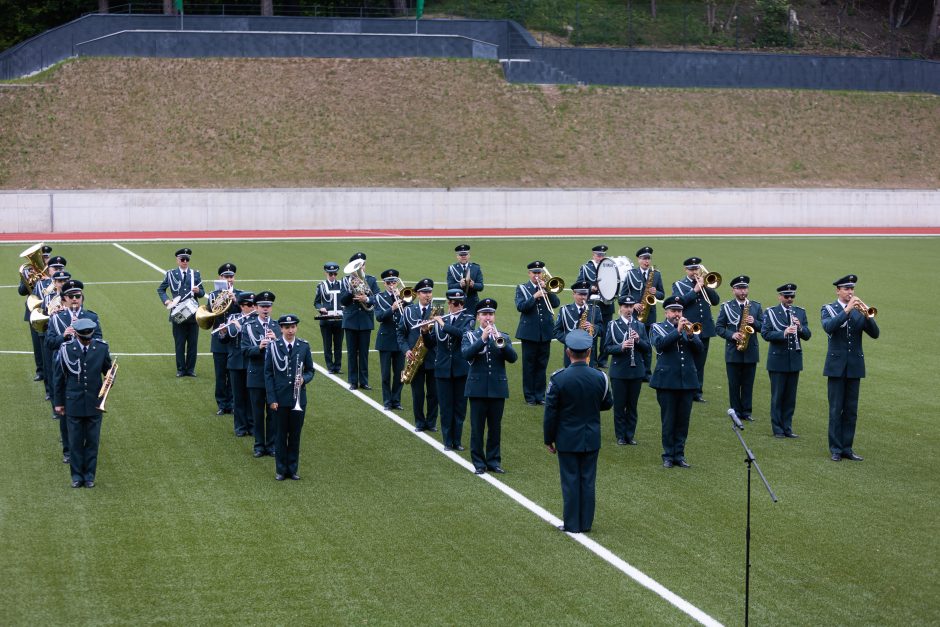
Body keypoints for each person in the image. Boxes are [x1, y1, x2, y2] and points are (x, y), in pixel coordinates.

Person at [544, 330, 613, 534]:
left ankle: (572, 523)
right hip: (591, 436)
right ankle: (586, 523)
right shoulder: (600, 377)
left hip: (566, 438)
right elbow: (607, 404)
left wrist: (549, 439)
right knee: (588, 481)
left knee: (571, 481)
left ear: (568, 352)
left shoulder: (559, 378)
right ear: (589, 351)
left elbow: (550, 413)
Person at [821, 275, 880, 462]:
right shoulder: (828, 309)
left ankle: (847, 448)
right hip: (836, 367)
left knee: (851, 411)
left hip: (855, 367)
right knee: (836, 408)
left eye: (852, 289)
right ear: (838, 290)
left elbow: (875, 334)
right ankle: (836, 449)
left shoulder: (858, 311)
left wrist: (867, 316)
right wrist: (847, 310)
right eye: (846, 289)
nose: (850, 292)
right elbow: (829, 327)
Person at [45, 278, 102, 464]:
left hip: (87, 366)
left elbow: (100, 341)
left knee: (88, 408)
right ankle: (69, 449)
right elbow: (49, 343)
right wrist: (64, 336)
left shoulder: (91, 317)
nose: (75, 299)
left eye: (77, 296)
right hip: (65, 367)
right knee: (66, 411)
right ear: (64, 299)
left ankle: (86, 446)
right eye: (70, 296)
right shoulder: (56, 318)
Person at [53, 318, 112, 488]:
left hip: (94, 402)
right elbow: (59, 378)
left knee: (92, 441)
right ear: (77, 336)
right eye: (84, 338)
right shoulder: (66, 349)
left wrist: (110, 377)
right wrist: (58, 403)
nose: (87, 340)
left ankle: (89, 476)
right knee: (75, 441)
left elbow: (107, 369)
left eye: (89, 337)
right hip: (73, 402)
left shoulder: (101, 348)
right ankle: (77, 476)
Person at [462, 298, 518, 474]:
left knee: (495, 427)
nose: (488, 317)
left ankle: (494, 461)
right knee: (477, 428)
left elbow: (513, 358)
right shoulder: (469, 335)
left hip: (497, 388)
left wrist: (499, 341)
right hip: (477, 389)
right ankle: (479, 463)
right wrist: (483, 339)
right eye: (485, 314)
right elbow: (466, 354)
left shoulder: (503, 336)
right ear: (478, 317)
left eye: (491, 314)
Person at [649, 296, 703, 468]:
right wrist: (677, 331)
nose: (677, 314)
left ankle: (679, 455)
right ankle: (668, 455)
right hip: (666, 381)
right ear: (666, 312)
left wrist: (691, 336)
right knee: (668, 419)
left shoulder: (690, 328)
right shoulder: (657, 327)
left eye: (679, 311)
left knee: (683, 421)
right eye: (673, 311)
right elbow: (660, 345)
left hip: (687, 381)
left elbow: (700, 350)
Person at [264, 314, 315, 481]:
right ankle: (280, 470)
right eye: (287, 328)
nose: (290, 330)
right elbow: (269, 374)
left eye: (293, 327)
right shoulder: (273, 346)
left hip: (298, 399)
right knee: (280, 436)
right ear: (281, 329)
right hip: (279, 398)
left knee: (294, 436)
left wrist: (304, 379)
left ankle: (292, 469)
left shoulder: (304, 346)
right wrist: (272, 399)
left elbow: (310, 370)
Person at [760, 283, 811, 439]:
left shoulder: (800, 312)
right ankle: (777, 428)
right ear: (780, 297)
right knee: (778, 396)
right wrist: (783, 333)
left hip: (794, 361)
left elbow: (808, 335)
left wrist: (800, 327)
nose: (790, 299)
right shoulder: (771, 312)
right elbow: (765, 333)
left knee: (790, 397)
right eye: (787, 296)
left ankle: (787, 427)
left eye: (792, 296)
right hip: (777, 361)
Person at [429, 288, 474, 451]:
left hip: (460, 369)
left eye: (460, 303)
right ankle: (448, 441)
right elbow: (432, 343)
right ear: (449, 303)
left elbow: (462, 334)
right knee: (446, 407)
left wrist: (442, 323)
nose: (457, 306)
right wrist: (425, 332)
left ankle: (457, 440)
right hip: (442, 369)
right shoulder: (439, 320)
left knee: (460, 407)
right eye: (454, 303)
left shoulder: (468, 318)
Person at [715, 275, 763, 422]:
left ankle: (747, 412)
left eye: (745, 288)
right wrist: (732, 335)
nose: (743, 291)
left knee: (748, 383)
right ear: (733, 290)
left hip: (751, 351)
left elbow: (764, 328)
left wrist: (754, 322)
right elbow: (719, 328)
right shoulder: (726, 306)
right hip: (733, 351)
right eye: (740, 288)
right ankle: (735, 410)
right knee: (734, 384)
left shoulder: (755, 306)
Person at [671, 257, 720, 402]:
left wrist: (705, 286)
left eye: (696, 269)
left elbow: (715, 301)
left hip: (704, 328)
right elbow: (679, 303)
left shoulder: (704, 283)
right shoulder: (679, 284)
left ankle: (697, 391)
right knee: (688, 359)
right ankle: (685, 388)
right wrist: (695, 290)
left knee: (700, 361)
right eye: (691, 269)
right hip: (689, 327)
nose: (694, 272)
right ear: (686, 270)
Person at [605, 295, 651, 446]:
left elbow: (647, 348)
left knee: (632, 405)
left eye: (631, 307)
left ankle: (630, 435)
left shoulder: (640, 326)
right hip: (619, 371)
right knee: (619, 405)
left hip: (636, 371)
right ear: (621, 308)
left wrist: (638, 340)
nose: (629, 310)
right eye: (626, 306)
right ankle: (620, 435)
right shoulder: (612, 325)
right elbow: (606, 348)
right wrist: (621, 347)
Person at [242, 291, 281, 458]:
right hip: (256, 375)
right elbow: (244, 351)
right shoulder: (248, 326)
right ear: (256, 307)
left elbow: (287, 350)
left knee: (273, 412)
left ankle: (271, 445)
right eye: (262, 306)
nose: (266, 309)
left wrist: (276, 341)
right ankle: (259, 445)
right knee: (257, 413)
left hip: (273, 376)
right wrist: (259, 347)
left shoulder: (278, 326)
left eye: (268, 306)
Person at [515, 260, 560, 405]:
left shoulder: (546, 285)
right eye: (534, 272)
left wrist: (547, 290)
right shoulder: (522, 288)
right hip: (528, 333)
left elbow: (556, 303)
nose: (537, 275)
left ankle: (540, 396)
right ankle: (529, 396)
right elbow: (521, 306)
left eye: (539, 272)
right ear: (529, 273)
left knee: (542, 365)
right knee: (529, 366)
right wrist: (535, 296)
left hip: (545, 332)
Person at [398, 278, 439, 432]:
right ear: (417, 294)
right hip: (415, 357)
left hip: (433, 357)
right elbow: (401, 334)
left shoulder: (437, 311)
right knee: (418, 394)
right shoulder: (408, 311)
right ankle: (420, 422)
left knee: (434, 394)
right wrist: (406, 350)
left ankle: (431, 422)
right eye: (424, 292)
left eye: (429, 292)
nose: (427, 295)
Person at [157, 248, 205, 377]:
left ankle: (190, 369)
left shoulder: (195, 274)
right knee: (179, 343)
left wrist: (197, 291)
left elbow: (202, 293)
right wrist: (167, 301)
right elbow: (161, 289)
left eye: (187, 259)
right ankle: (180, 369)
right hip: (178, 313)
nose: (185, 261)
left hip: (193, 314)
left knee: (193, 344)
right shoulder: (170, 274)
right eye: (182, 259)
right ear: (177, 260)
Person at [621, 246, 664, 380]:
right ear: (638, 260)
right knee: (633, 340)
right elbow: (623, 295)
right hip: (633, 315)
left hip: (650, 315)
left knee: (647, 343)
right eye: (644, 259)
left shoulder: (656, 274)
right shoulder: (631, 274)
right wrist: (633, 305)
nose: (646, 261)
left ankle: (646, 372)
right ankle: (632, 367)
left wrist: (655, 292)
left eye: (648, 259)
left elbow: (662, 295)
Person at [339, 252, 379, 390]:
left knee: (363, 353)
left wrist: (366, 299)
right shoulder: (345, 281)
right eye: (358, 265)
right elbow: (342, 300)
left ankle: (364, 381)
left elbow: (378, 298)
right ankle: (353, 381)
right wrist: (351, 290)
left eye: (363, 264)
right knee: (351, 353)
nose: (362, 267)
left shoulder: (371, 280)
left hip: (365, 320)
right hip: (350, 321)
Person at [220, 292, 256, 437]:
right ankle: (240, 427)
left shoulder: (257, 320)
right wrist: (223, 332)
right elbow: (225, 340)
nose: (253, 307)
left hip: (251, 362)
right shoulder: (233, 318)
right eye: (249, 305)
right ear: (242, 306)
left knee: (251, 397)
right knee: (238, 397)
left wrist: (240, 328)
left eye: (254, 305)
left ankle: (253, 426)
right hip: (235, 362)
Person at [207, 263, 241, 416]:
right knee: (220, 375)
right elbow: (208, 316)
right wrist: (218, 304)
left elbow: (248, 313)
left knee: (233, 375)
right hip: (218, 341)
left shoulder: (240, 295)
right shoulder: (213, 295)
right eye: (225, 276)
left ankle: (233, 404)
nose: (229, 279)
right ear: (220, 278)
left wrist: (235, 301)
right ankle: (222, 404)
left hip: (234, 340)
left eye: (231, 276)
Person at [18, 244, 52, 383]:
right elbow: (21, 291)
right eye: (41, 257)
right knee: (37, 344)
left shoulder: (54, 271)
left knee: (49, 343)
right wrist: (32, 280)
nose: (43, 260)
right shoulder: (29, 271)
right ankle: (40, 371)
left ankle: (52, 371)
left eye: (45, 257)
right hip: (34, 312)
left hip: (51, 311)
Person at [577, 245, 614, 367]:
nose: (600, 257)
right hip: (592, 304)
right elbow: (579, 284)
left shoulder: (610, 267)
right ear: (593, 255)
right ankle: (591, 359)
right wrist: (590, 287)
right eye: (598, 255)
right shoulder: (586, 268)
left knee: (606, 334)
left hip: (607, 304)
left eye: (602, 255)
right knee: (592, 331)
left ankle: (603, 360)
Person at [374, 269, 406, 411]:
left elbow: (410, 312)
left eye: (394, 282)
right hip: (386, 339)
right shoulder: (379, 297)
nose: (392, 285)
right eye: (389, 283)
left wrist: (402, 298)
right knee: (386, 374)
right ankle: (387, 401)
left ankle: (396, 400)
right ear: (384, 283)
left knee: (400, 373)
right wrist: (392, 308)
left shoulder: (404, 297)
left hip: (400, 340)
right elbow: (379, 317)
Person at [553, 280, 603, 368]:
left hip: (589, 353)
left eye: (585, 294)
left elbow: (602, 330)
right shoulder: (565, 310)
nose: (583, 297)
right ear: (574, 294)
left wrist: (593, 327)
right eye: (580, 294)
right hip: (571, 353)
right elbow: (557, 331)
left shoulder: (595, 309)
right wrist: (570, 340)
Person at [314, 262, 344, 374]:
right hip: (326, 320)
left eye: (335, 274)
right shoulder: (321, 286)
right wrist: (321, 308)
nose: (333, 276)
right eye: (330, 274)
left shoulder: (342, 285)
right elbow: (316, 302)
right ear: (326, 273)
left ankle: (338, 366)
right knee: (327, 345)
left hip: (339, 319)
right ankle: (330, 367)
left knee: (338, 344)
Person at [446, 244, 484, 315]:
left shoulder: (476, 268)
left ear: (469, 255)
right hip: (456, 303)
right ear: (457, 256)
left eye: (465, 254)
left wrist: (473, 285)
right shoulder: (452, 268)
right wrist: (460, 284)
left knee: (470, 324)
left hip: (472, 304)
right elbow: (450, 287)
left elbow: (481, 286)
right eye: (461, 255)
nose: (463, 257)